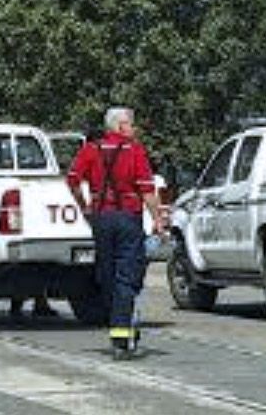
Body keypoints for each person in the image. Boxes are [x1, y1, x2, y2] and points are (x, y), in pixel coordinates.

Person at [67, 106, 164, 360]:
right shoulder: (135, 151)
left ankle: (119, 322)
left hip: (101, 219)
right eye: (131, 124)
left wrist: (83, 206)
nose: (135, 128)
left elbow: (73, 179)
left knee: (107, 274)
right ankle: (121, 335)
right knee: (127, 276)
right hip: (127, 219)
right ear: (120, 126)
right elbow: (147, 191)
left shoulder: (91, 149)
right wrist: (158, 219)